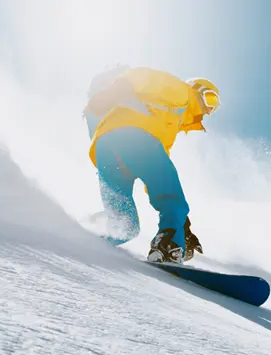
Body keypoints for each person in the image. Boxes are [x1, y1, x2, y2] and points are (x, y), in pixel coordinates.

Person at [82, 64, 220, 264]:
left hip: (107, 150)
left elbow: (155, 178)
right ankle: (168, 248)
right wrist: (118, 88)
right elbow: (145, 77)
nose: (209, 109)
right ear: (196, 90)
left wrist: (182, 223)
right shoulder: (182, 92)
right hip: (134, 136)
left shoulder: (166, 124)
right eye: (210, 99)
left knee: (124, 225)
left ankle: (84, 236)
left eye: (214, 106)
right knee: (174, 201)